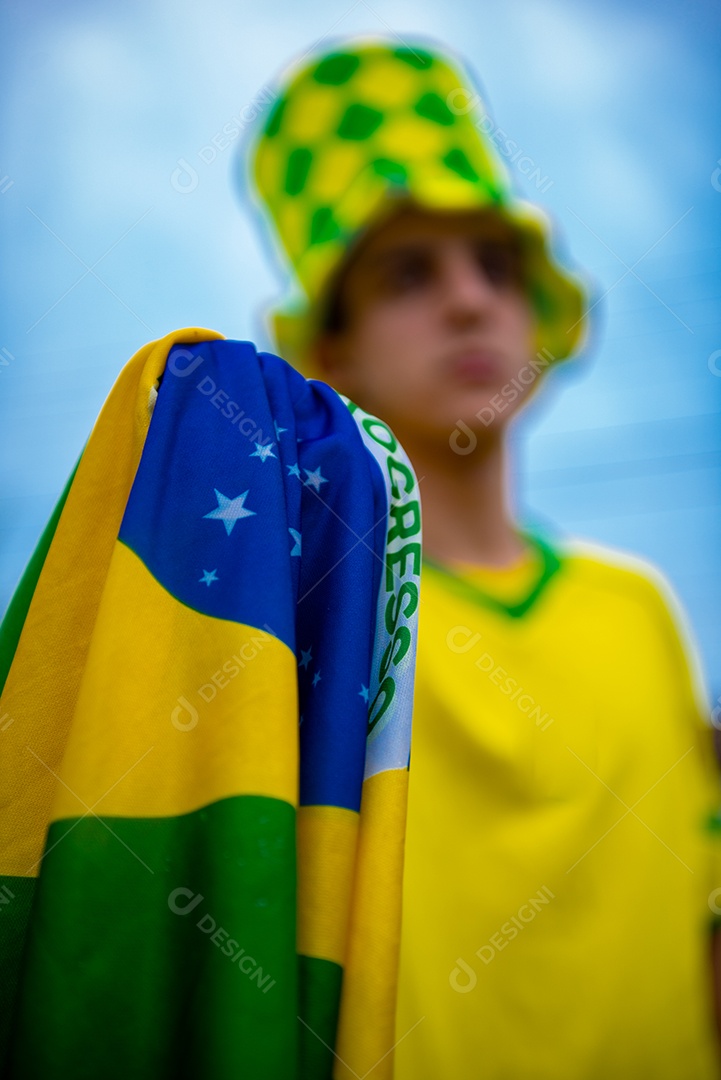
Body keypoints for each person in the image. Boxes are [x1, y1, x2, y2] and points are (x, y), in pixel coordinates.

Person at [248, 38, 721, 1078]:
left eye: (495, 266)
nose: (468, 301)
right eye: (407, 272)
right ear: (331, 352)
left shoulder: (636, 610)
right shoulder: (315, 622)